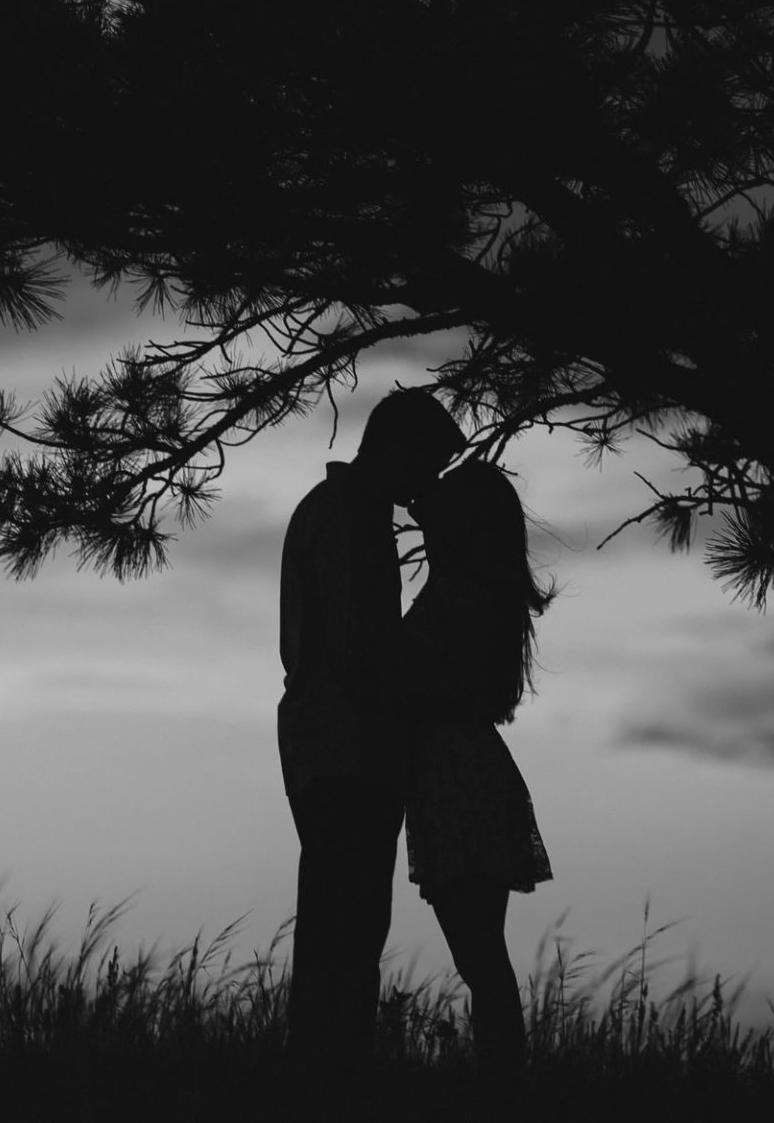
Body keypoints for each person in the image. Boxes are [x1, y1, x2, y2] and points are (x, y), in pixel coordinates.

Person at [278, 388, 468, 1068]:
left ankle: (325, 1070)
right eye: (430, 464)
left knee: (343, 923)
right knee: (346, 925)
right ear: (401, 450)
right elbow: (360, 647)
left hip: (333, 744)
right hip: (345, 748)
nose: (430, 483)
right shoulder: (349, 517)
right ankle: (329, 1074)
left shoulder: (343, 512)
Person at [397, 458, 555, 1075]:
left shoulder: (462, 594)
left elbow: (430, 684)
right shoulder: (476, 589)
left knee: (480, 958)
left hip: (456, 780)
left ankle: (504, 1086)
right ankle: (504, 1082)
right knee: (482, 957)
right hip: (464, 775)